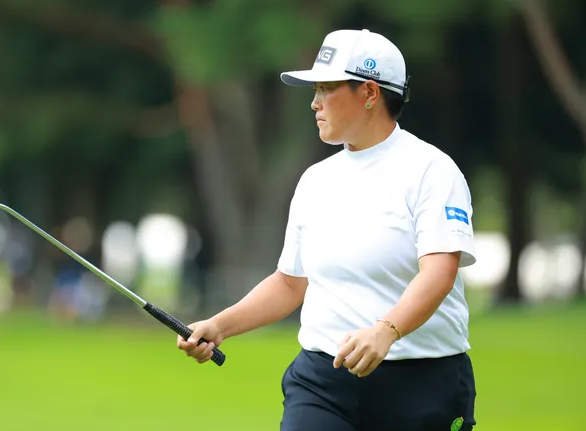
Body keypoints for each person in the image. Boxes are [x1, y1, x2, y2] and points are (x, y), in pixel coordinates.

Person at [177, 29, 477, 431]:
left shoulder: (432, 171)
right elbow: (290, 284)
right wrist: (219, 326)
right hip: (323, 383)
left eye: (326, 89)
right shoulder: (315, 181)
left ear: (369, 92)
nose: (314, 102)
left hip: (422, 384)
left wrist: (386, 332)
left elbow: (439, 271)